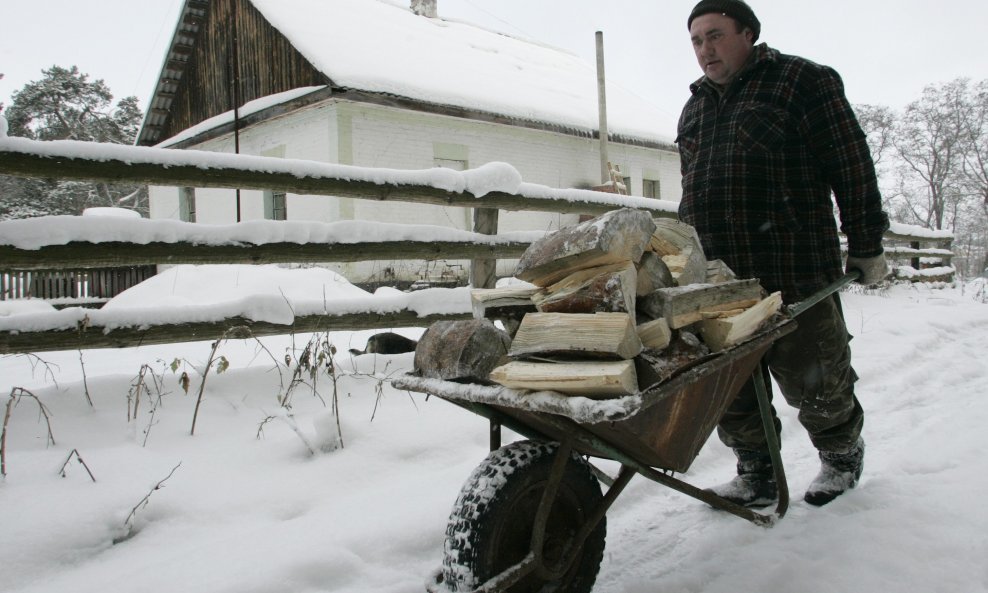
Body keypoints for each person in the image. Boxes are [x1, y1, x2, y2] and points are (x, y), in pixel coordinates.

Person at [676, 0, 891, 507]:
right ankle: (757, 472)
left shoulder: (801, 82)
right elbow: (692, 190)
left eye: (715, 35)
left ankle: (840, 456)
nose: (705, 49)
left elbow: (852, 165)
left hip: (794, 267)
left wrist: (865, 243)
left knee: (815, 377)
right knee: (731, 389)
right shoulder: (695, 107)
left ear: (747, 33)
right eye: (696, 41)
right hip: (720, 281)